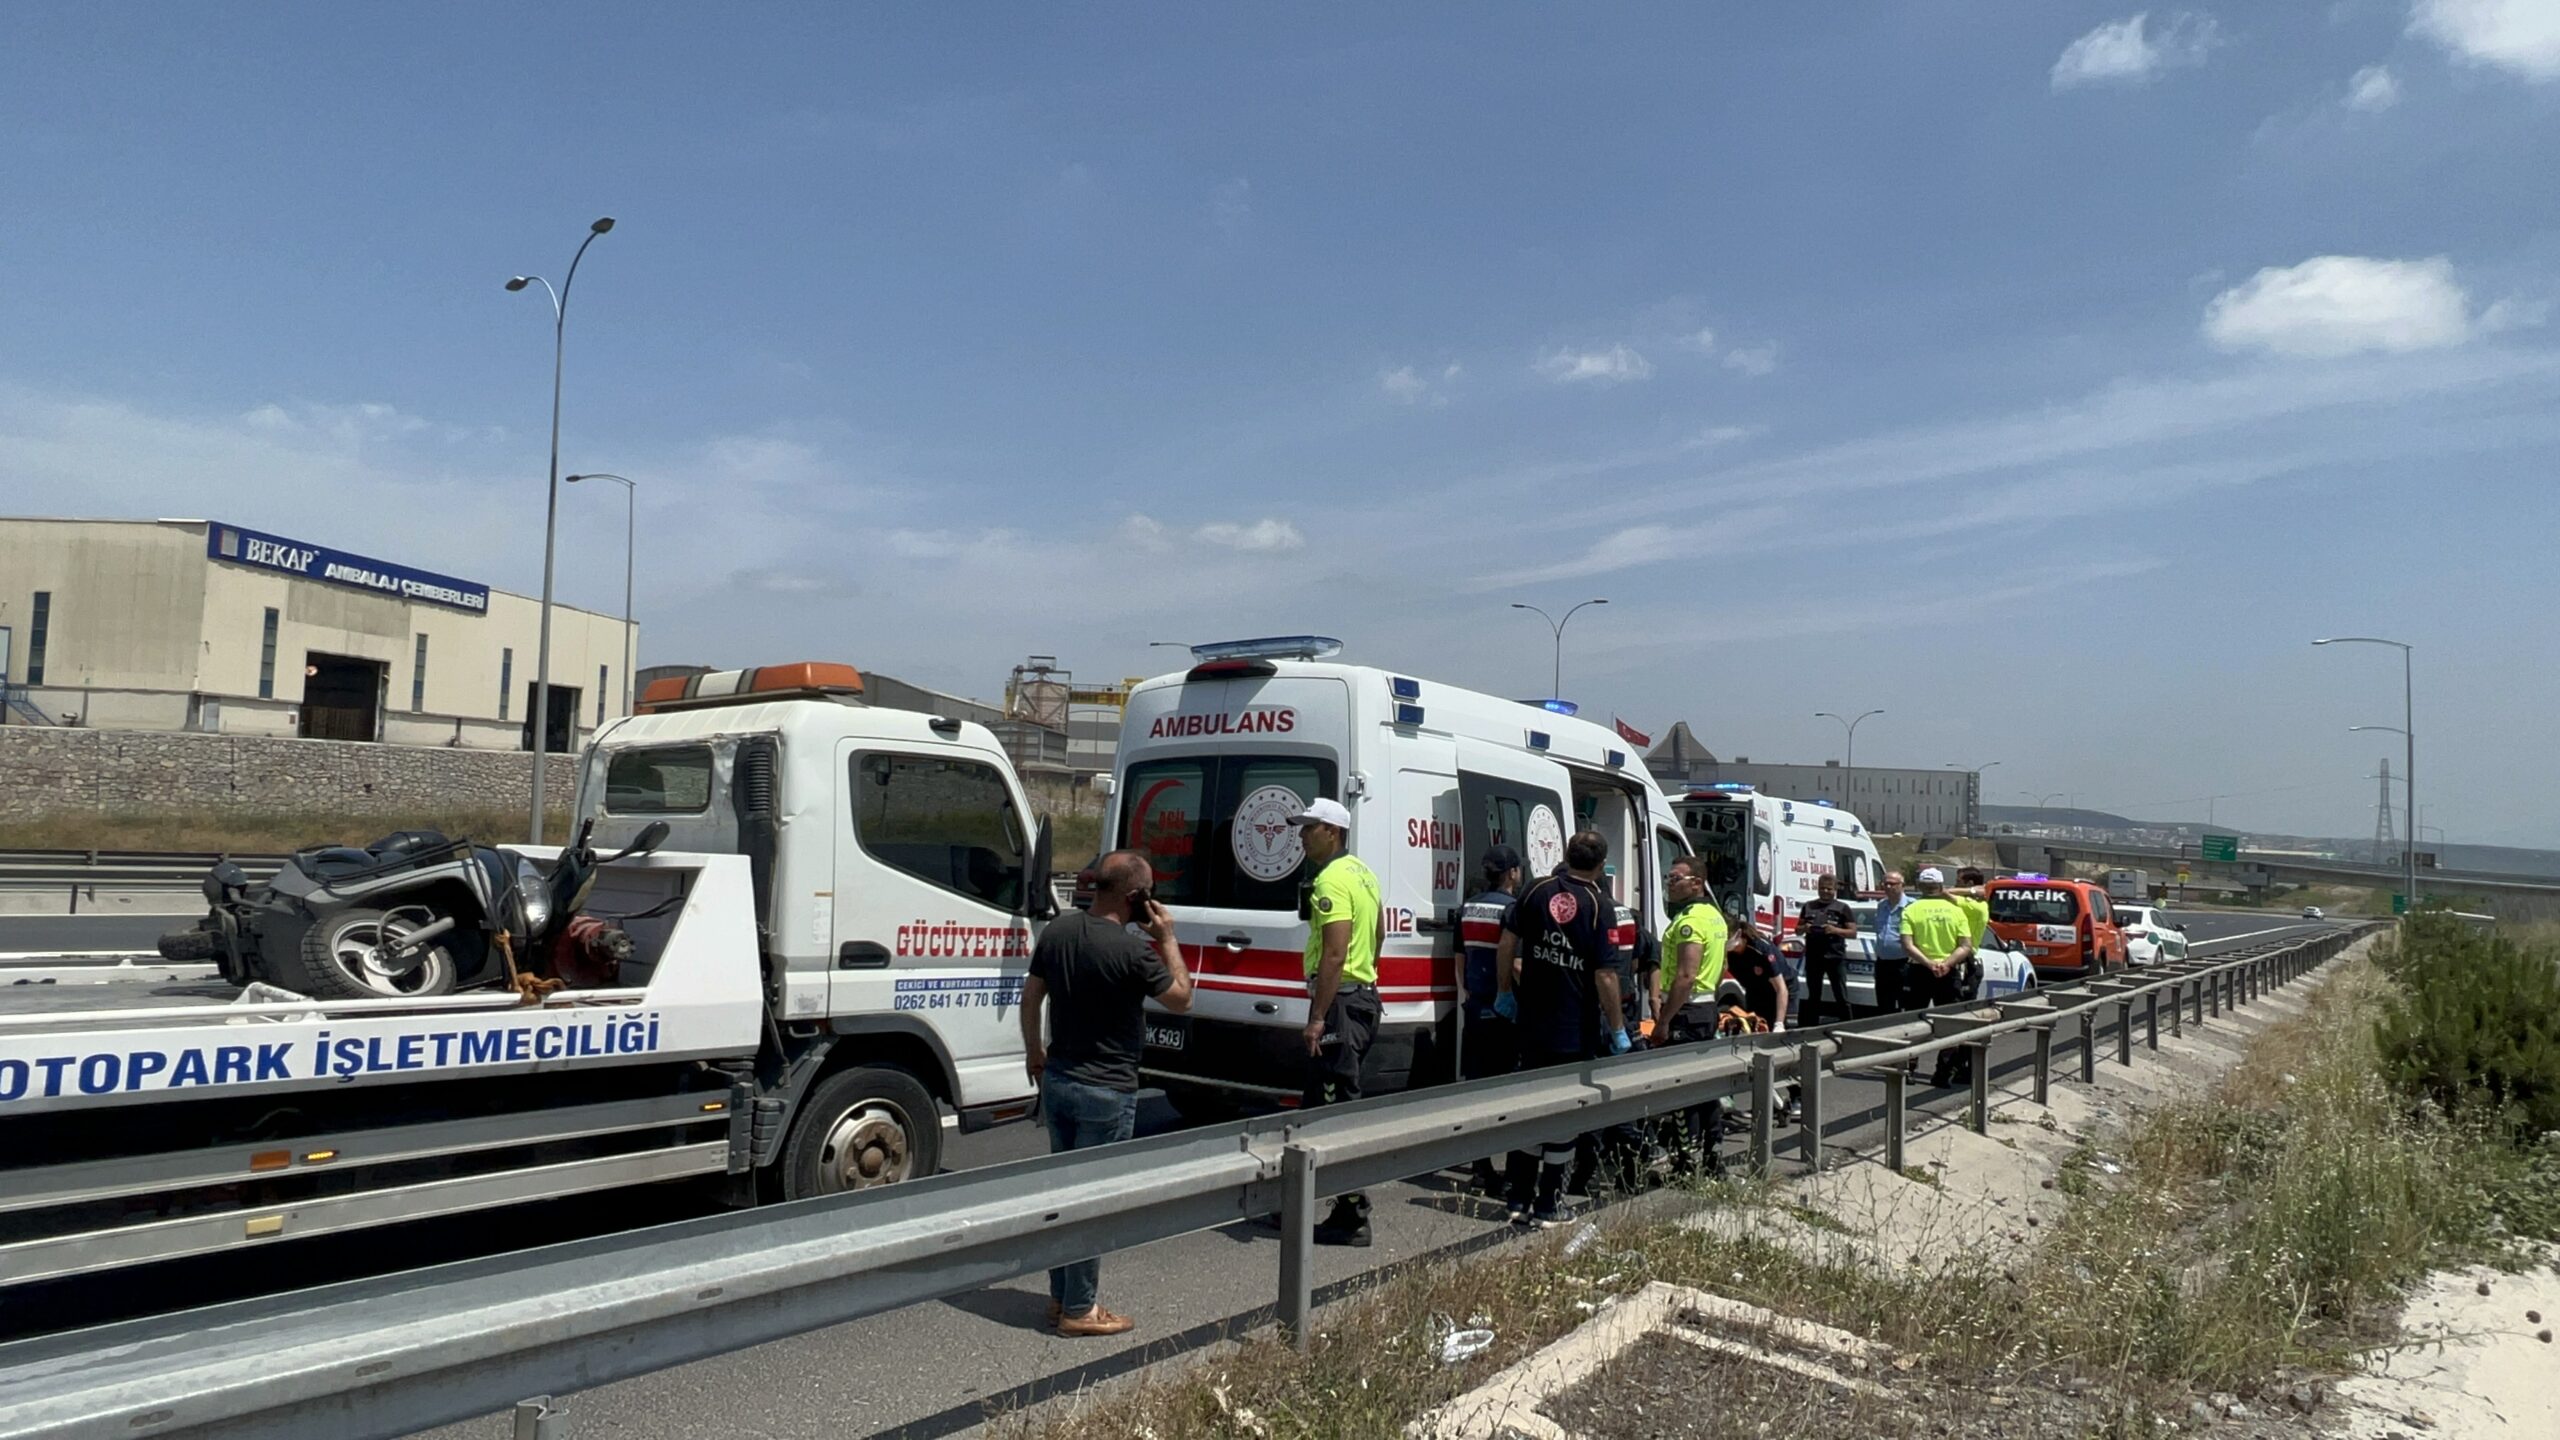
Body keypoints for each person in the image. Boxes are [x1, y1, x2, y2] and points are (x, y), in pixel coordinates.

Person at [1020, 849, 1194, 1337]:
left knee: (1063, 1194)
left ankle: (1060, 1298)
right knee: (1092, 1200)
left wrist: (1035, 1051)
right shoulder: (1134, 951)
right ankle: (1081, 1309)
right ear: (1136, 897)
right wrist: (1168, 938)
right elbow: (1181, 999)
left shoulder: (1057, 931)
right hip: (1108, 1089)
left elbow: (1032, 995)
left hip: (1058, 1080)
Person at [1493, 828, 1633, 1227]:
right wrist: (1618, 1026)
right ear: (1602, 864)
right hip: (1575, 1029)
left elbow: (1507, 943)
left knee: (1530, 1109)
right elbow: (1606, 976)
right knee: (1564, 1117)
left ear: (1567, 854)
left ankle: (1518, 1200)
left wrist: (1505, 991)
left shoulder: (1536, 891)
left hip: (1531, 1022)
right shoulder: (1599, 905)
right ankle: (1549, 1205)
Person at [1289, 797, 1385, 1246]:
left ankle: (1353, 1216)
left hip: (1341, 1004)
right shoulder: (1363, 873)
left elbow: (1334, 952)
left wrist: (1318, 1016)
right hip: (1362, 998)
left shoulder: (1329, 879)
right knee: (1318, 1105)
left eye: (1309, 828)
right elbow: (1379, 933)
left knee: (1334, 1111)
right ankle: (1309, 1199)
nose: (1302, 835)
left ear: (1332, 831)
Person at [1654, 856, 1731, 1169]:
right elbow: (1723, 965)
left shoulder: (1689, 922)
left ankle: (1686, 1162)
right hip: (1707, 1005)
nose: (1670, 884)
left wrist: (1663, 1020)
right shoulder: (1715, 917)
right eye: (1669, 878)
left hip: (1686, 1010)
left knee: (1682, 1088)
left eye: (1676, 878)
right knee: (1705, 1087)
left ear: (1696, 883)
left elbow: (1685, 976)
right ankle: (1713, 1158)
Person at [1459, 844, 1524, 1193]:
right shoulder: (1513, 909)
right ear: (1512, 873)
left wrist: (1466, 991)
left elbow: (1460, 955)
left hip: (1475, 1006)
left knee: (1477, 1088)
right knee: (1508, 1091)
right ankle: (1510, 1172)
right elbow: (1515, 961)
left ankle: (1480, 1167)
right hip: (1503, 1009)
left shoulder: (1469, 907)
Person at [1900, 867, 1978, 1088]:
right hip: (1948, 971)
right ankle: (1942, 1074)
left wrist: (1928, 962)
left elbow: (1907, 945)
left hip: (1918, 971)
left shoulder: (1911, 910)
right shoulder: (1956, 912)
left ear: (1919, 887)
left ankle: (1909, 1070)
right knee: (1949, 1024)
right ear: (1942, 887)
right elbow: (1966, 946)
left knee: (1912, 1023)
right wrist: (1946, 963)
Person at [1796, 872, 1857, 1027]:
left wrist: (1834, 930)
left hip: (1835, 957)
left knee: (1841, 995)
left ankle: (1847, 1026)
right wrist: (1806, 928)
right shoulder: (1809, 906)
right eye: (1822, 888)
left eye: (1829, 889)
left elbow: (1852, 933)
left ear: (1835, 889)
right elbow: (1797, 929)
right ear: (1818, 888)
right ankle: (1811, 1027)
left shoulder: (1843, 908)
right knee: (1813, 995)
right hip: (1813, 957)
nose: (1825, 891)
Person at [1871, 871, 1913, 1014]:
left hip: (1904, 963)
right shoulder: (1881, 905)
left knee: (1905, 1002)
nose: (1888, 887)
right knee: (1883, 1003)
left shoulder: (1912, 906)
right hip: (1882, 962)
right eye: (1885, 883)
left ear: (1903, 886)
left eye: (1892, 884)